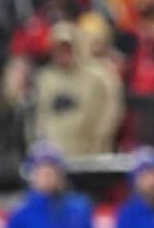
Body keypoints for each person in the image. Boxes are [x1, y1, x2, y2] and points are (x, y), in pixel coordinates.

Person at [32, 22, 125, 157]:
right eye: (57, 48)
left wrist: (100, 142)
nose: (61, 53)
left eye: (66, 48)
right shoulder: (45, 78)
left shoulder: (100, 76)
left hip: (89, 152)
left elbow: (111, 112)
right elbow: (40, 115)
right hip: (54, 155)